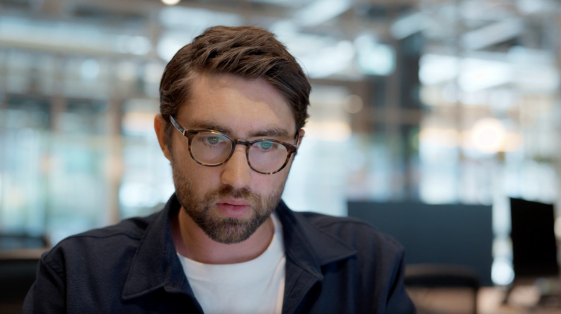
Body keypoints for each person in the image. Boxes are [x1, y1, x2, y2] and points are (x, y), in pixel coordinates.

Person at [24, 25, 416, 313]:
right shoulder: (79, 278)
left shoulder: (366, 266)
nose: (237, 179)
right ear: (165, 138)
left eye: (266, 145)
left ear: (295, 147)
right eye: (212, 139)